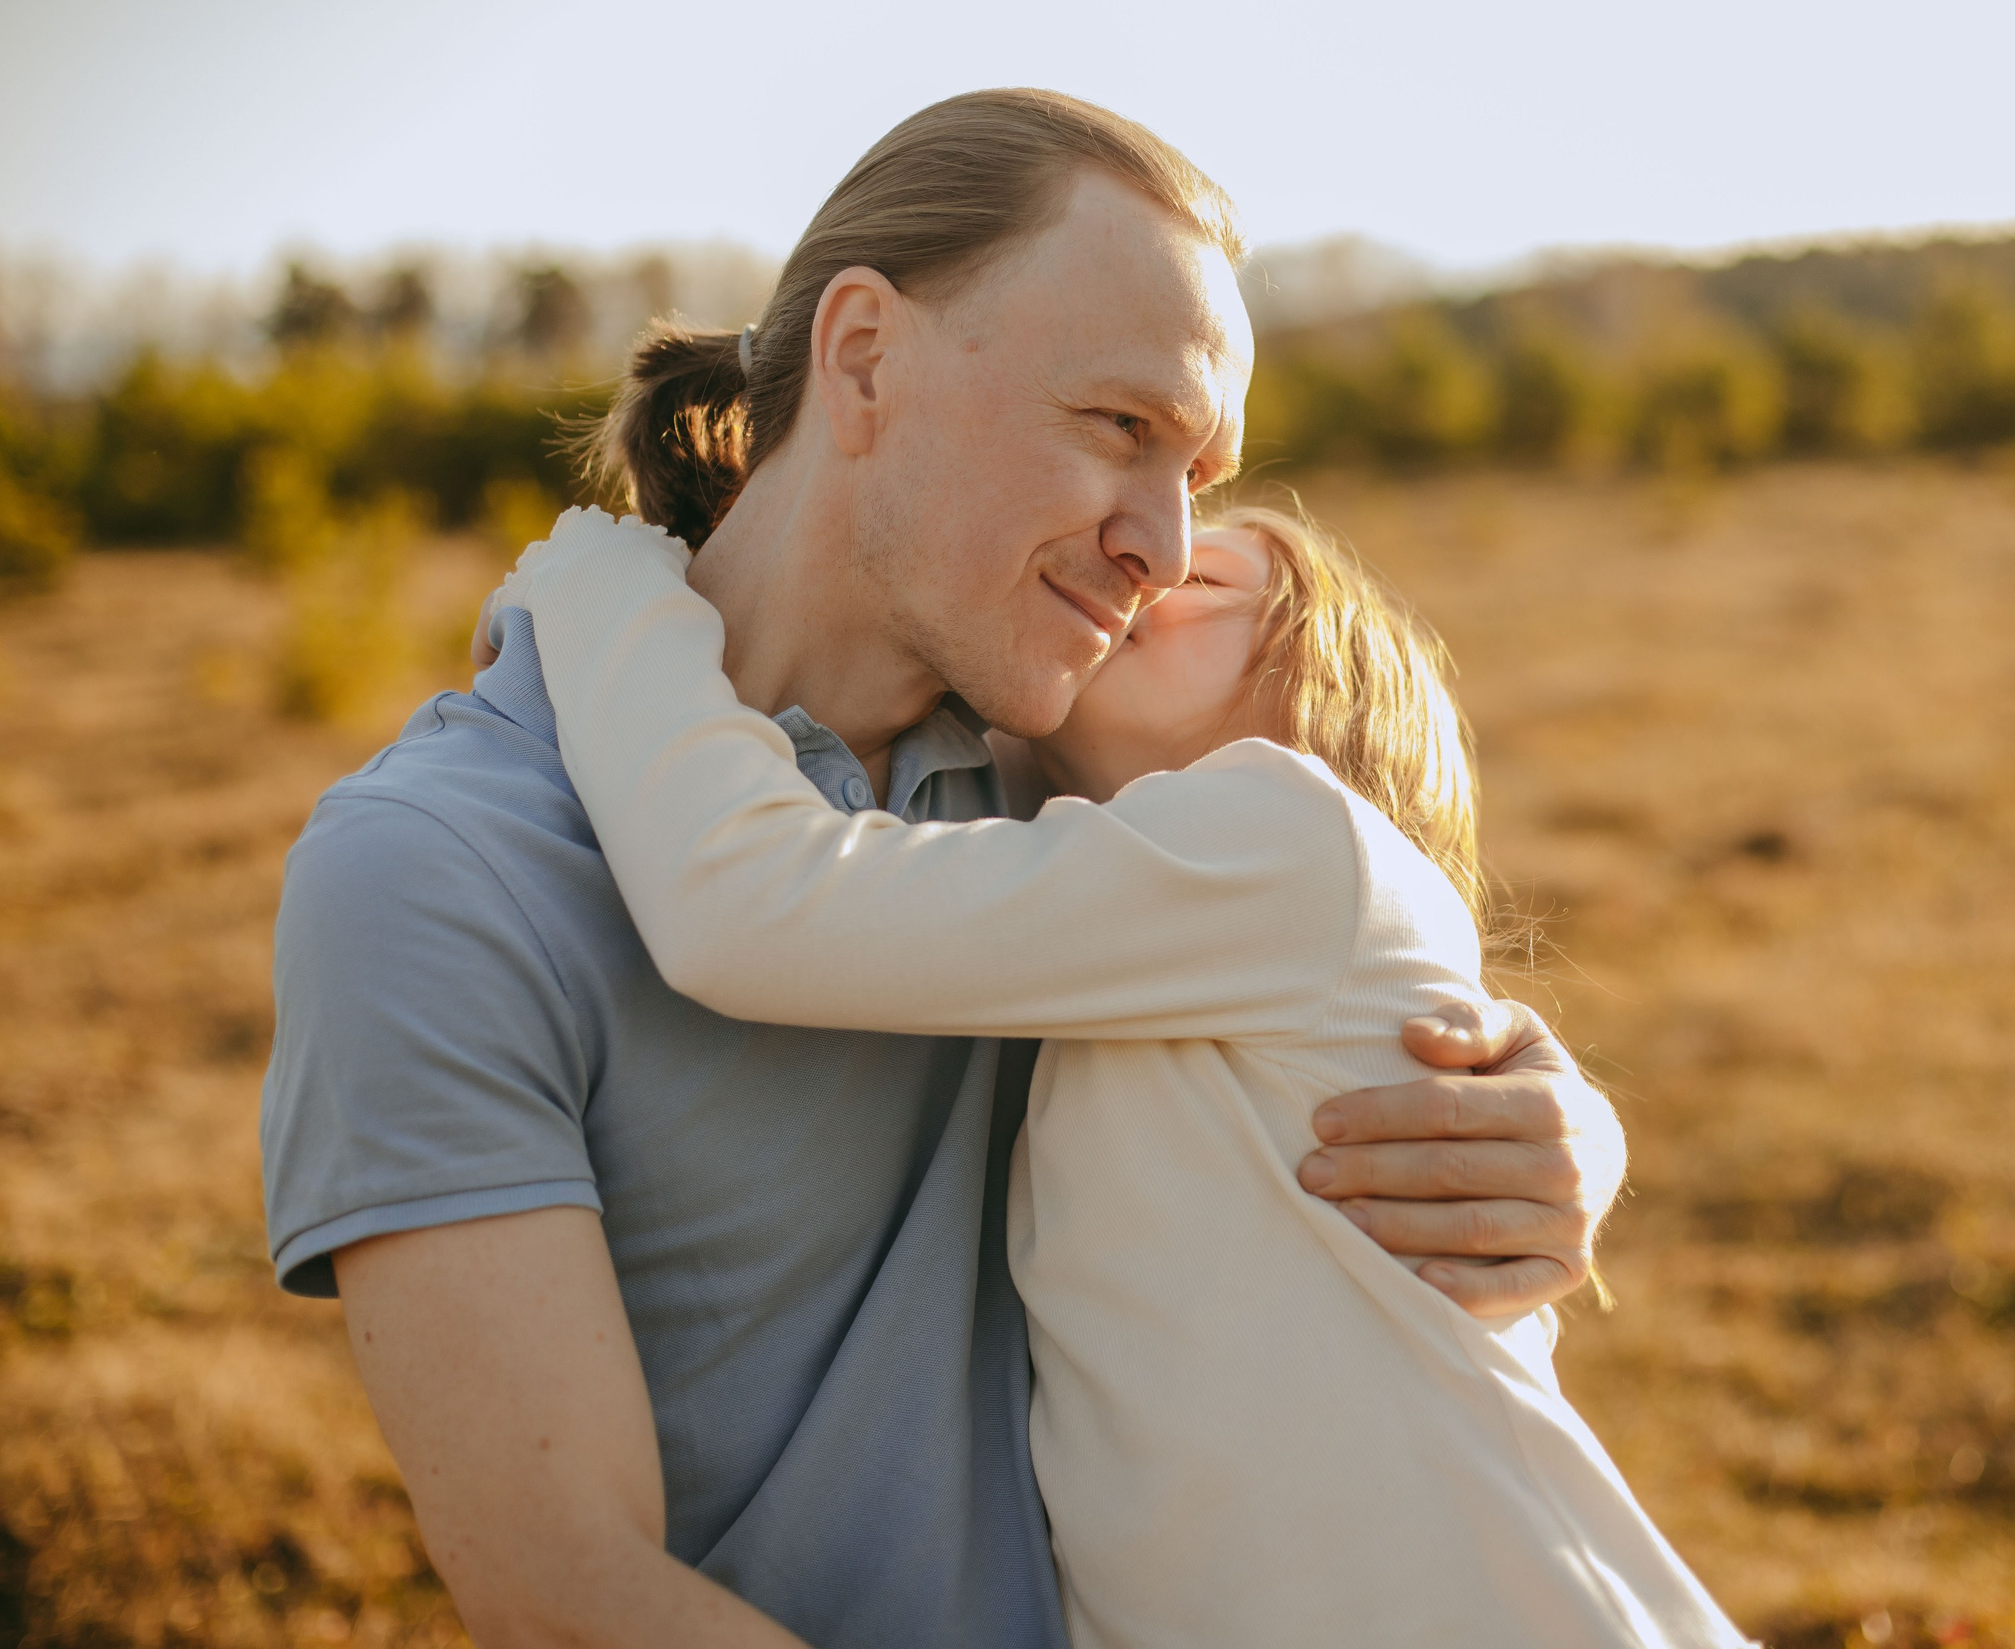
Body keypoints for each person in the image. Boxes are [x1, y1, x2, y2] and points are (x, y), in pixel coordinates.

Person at [260, 88, 1625, 1649]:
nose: (1171, 548)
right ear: (862, 359)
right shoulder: (441, 872)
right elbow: (570, 1589)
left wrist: (1545, 1113)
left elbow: (1328, 946)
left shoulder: (1064, 774)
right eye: (1123, 427)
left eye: (1204, 470)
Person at [494, 499, 1750, 1649]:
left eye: (1205, 572)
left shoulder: (1290, 830)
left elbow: (747, 903)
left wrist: (602, 579)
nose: (1141, 571)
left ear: (1329, 687)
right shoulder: (1098, 947)